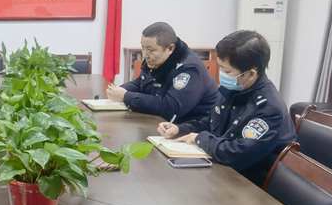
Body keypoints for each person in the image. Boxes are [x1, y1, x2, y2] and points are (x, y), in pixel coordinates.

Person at [158, 30, 296, 187]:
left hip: (248, 183)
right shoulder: (233, 89)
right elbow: (211, 123)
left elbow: (238, 153)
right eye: (221, 67)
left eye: (227, 71)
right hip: (222, 168)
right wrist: (180, 129)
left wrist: (200, 138)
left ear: (251, 74)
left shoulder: (269, 108)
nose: (221, 74)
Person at [106, 22, 219, 123]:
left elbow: (170, 108)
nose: (145, 55)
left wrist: (126, 96)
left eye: (150, 50)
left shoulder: (189, 70)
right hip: (163, 124)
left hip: (192, 129)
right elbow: (140, 83)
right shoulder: (157, 60)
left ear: (170, 49)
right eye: (143, 47)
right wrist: (118, 91)